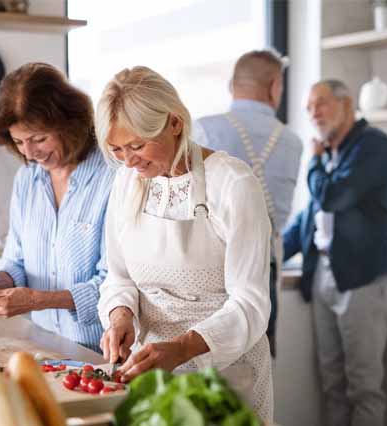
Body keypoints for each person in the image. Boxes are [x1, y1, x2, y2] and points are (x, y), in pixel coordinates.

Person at [96, 66, 274, 423]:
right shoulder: (126, 182)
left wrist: (182, 348)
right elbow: (117, 276)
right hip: (150, 372)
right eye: (116, 149)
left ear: (175, 123)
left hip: (226, 374)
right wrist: (119, 315)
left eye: (137, 145)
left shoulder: (233, 183)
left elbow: (251, 304)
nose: (129, 161)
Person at [0, 63, 115, 352]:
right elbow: (17, 263)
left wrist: (37, 300)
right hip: (44, 345)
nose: (29, 152)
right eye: (18, 142)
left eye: (39, 138)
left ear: (70, 124)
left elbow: (113, 283)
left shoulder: (112, 177)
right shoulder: (27, 179)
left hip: (103, 351)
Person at [283, 79, 387, 426]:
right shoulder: (331, 155)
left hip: (364, 277)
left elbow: (335, 196)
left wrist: (314, 163)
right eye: (308, 108)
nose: (313, 113)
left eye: (320, 104)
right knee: (333, 383)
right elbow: (309, 219)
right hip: (324, 275)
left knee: (363, 386)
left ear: (347, 104)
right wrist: (269, 255)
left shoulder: (373, 145)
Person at [193, 49, 303, 357]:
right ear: (275, 86)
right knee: (257, 368)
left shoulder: (202, 129)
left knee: (204, 372)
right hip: (262, 273)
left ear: (232, 85)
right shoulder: (292, 141)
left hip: (207, 273)